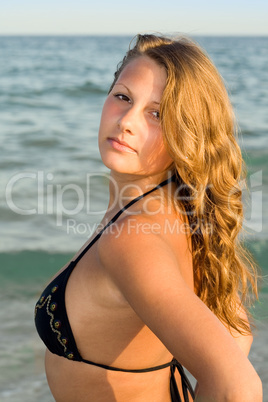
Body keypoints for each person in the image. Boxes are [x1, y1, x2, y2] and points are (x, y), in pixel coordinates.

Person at [35, 34, 262, 401]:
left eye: (156, 114)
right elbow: (237, 333)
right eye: (123, 96)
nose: (126, 121)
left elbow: (239, 386)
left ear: (186, 134)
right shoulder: (175, 207)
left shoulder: (135, 237)